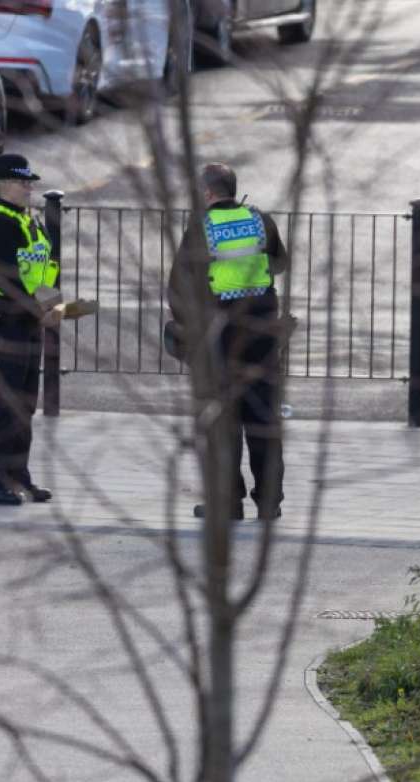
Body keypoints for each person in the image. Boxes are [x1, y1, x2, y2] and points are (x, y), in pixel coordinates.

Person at [168, 162, 288, 520]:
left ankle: (227, 502)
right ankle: (269, 502)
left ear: (207, 193)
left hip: (220, 337)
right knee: (263, 418)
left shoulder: (201, 228)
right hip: (263, 334)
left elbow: (179, 285)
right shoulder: (260, 221)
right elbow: (279, 264)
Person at [0, 153, 61, 506]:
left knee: (24, 404)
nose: (29, 188)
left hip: (25, 320)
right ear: (2, 184)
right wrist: (40, 310)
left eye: (30, 182)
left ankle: (17, 476)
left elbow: (43, 271)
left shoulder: (30, 221)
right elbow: (1, 276)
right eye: (23, 182)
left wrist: (52, 305)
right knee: (4, 402)